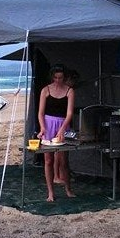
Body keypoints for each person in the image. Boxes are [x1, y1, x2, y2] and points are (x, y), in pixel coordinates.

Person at [37, 64, 75, 202]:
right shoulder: (45, 90)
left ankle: (68, 189)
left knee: (64, 160)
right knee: (48, 160)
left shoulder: (69, 91)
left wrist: (63, 128)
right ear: (52, 77)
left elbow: (69, 113)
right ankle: (50, 192)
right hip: (48, 123)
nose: (58, 80)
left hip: (62, 123)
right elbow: (40, 113)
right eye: (56, 78)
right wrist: (42, 128)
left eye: (61, 78)